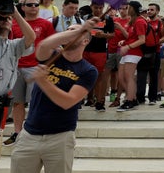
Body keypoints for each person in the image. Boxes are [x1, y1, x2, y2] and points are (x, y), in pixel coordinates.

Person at [10, 19, 99, 173]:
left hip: (60, 137)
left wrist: (43, 81)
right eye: (68, 30)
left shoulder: (88, 70)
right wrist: (79, 30)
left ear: (85, 40)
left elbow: (67, 101)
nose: (68, 33)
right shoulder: (51, 55)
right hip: (29, 134)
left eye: (74, 31)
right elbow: (44, 45)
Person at [0, 8, 35, 173]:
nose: (4, 20)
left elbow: (31, 38)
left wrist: (15, 13)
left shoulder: (14, 45)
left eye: (7, 18)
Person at [4, 0, 56, 147]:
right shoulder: (13, 24)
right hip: (17, 67)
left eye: (36, 4)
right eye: (30, 5)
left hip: (36, 66)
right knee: (17, 102)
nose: (34, 7)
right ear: (23, 7)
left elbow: (52, 43)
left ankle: (33, 131)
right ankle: (17, 132)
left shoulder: (45, 24)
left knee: (35, 102)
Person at [82, 0, 115, 112]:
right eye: (96, 8)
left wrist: (104, 35)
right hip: (86, 50)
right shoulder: (85, 18)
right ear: (91, 7)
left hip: (100, 51)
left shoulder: (108, 19)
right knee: (86, 75)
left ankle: (100, 101)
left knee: (99, 77)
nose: (98, 10)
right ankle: (89, 98)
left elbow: (112, 34)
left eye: (101, 8)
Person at [116, 1, 146, 111]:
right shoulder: (133, 21)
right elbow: (132, 36)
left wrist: (127, 46)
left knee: (128, 77)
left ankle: (130, 101)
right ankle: (132, 98)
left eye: (128, 7)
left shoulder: (140, 21)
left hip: (134, 52)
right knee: (121, 77)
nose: (126, 9)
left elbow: (142, 40)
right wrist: (124, 41)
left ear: (132, 9)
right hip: (128, 51)